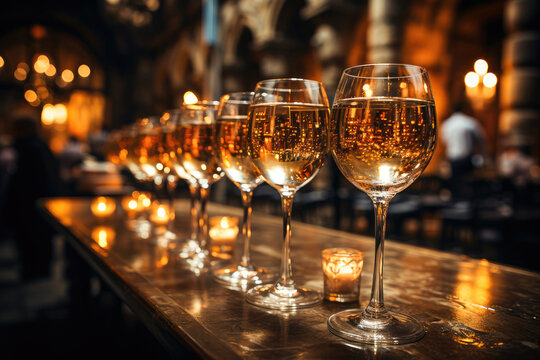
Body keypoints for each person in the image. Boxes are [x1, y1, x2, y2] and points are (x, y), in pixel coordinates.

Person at [1, 113, 62, 281]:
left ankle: (35, 272)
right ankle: (38, 271)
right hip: (39, 201)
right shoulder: (38, 145)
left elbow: (26, 180)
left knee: (31, 241)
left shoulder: (29, 148)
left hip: (30, 203)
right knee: (37, 241)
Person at [440, 100, 487, 198]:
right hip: (467, 160)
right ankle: (466, 206)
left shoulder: (446, 124)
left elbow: (444, 142)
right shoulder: (470, 122)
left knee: (455, 185)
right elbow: (482, 140)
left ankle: (457, 205)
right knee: (467, 185)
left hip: (453, 160)